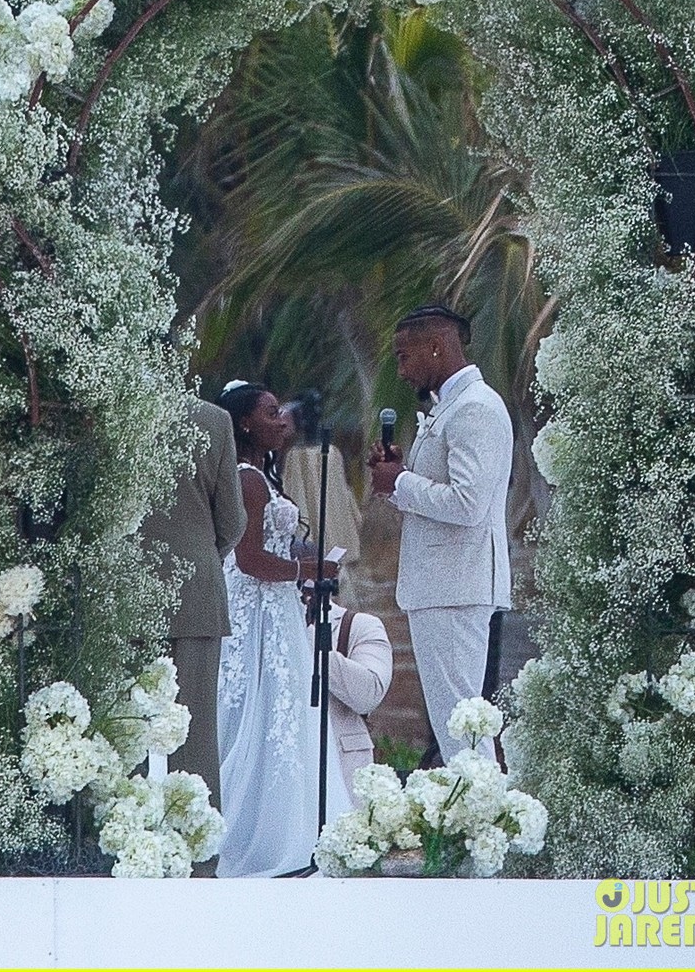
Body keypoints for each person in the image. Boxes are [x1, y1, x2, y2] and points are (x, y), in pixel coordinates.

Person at [214, 381, 351, 877]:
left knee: (282, 716)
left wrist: (308, 560)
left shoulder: (264, 476)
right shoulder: (247, 479)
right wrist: (307, 573)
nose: (283, 420)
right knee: (259, 712)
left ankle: (283, 826)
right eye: (271, 413)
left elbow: (274, 545)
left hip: (275, 610)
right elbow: (249, 559)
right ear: (245, 422)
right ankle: (253, 836)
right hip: (255, 613)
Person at [368, 304, 513, 763]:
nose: (401, 370)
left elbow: (468, 505)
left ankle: (484, 825)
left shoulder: (475, 409)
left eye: (404, 356)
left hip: (457, 587)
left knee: (464, 730)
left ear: (436, 346)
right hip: (442, 587)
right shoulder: (451, 407)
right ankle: (472, 823)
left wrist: (402, 482)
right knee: (457, 728)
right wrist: (393, 482)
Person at [139, 396, 246, 859]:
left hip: (126, 590)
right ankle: (200, 855)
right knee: (197, 731)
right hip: (197, 587)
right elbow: (233, 520)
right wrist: (203, 553)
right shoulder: (214, 419)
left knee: (123, 729)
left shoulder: (108, 409)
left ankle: (124, 844)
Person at [301, 585, 393, 803]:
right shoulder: (261, 631)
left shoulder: (360, 625)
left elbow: (369, 695)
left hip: (343, 772)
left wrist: (305, 637)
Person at [280, 390, 362, 602]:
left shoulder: (332, 453)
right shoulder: (296, 456)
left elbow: (339, 499)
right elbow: (296, 496)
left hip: (334, 541)